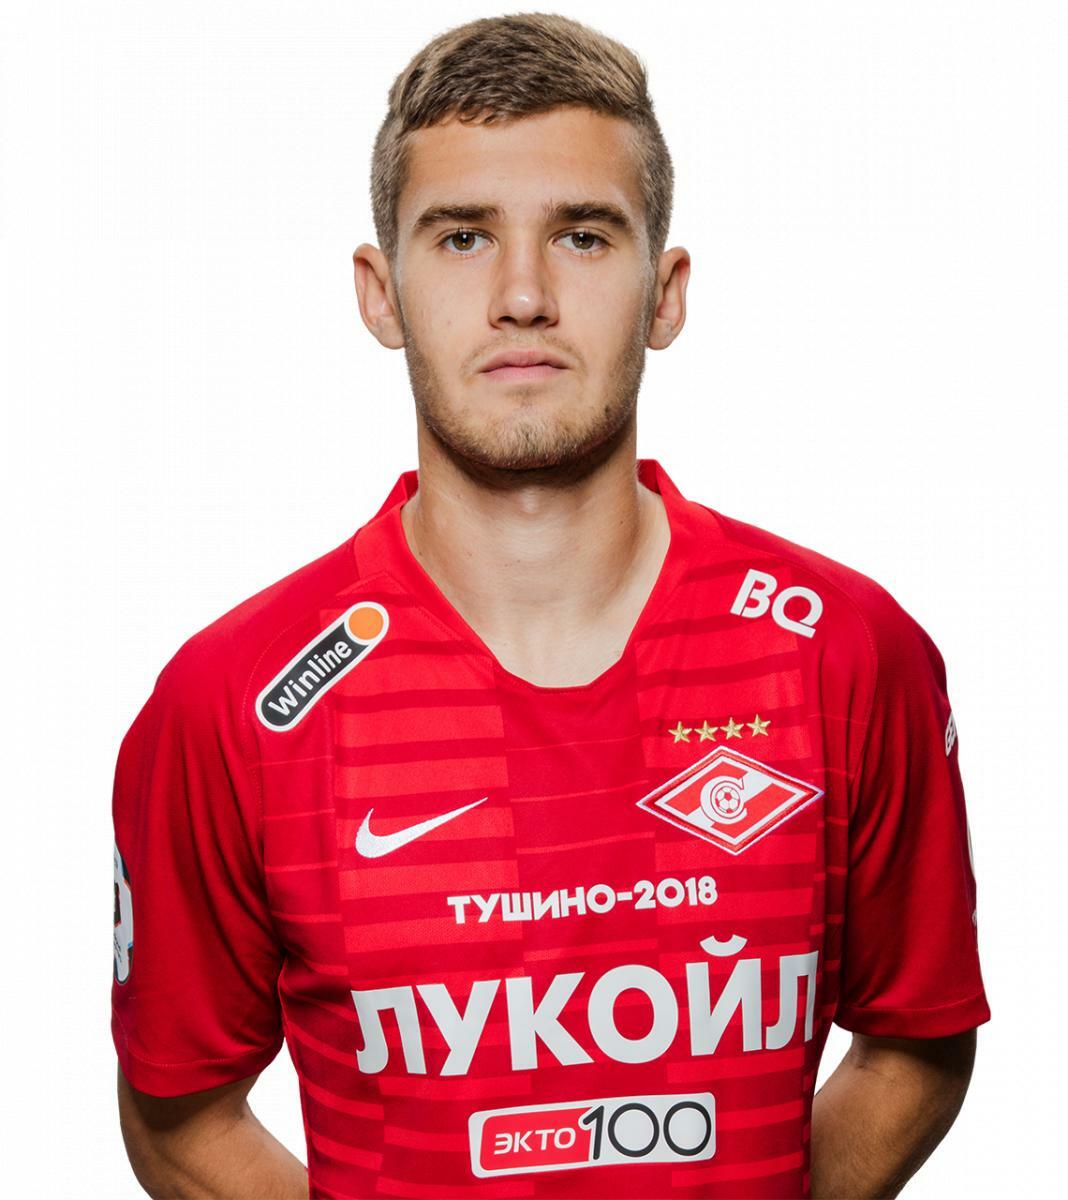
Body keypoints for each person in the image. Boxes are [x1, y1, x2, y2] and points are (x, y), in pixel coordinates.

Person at [111, 12, 990, 1199]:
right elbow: (179, 1113)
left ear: (664, 294)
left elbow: (916, 1040)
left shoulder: (845, 653)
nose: (522, 295)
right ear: (380, 293)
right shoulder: (229, 702)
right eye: (462, 236)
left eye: (582, 235)